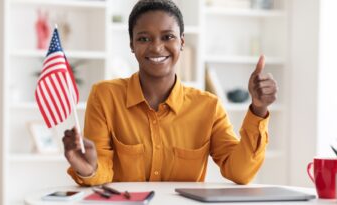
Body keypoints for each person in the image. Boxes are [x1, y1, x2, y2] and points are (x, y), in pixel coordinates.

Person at [63, 0, 277, 186]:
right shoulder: (105, 96)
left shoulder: (209, 107)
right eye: (144, 39)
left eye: (168, 37)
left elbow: (240, 172)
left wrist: (259, 109)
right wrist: (88, 169)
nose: (156, 47)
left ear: (181, 42)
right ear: (131, 44)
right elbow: (102, 171)